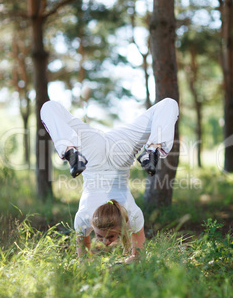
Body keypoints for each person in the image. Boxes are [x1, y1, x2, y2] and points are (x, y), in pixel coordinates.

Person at [40, 97, 179, 263]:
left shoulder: (87, 217)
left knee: (49, 107)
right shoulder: (129, 215)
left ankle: (71, 152)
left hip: (92, 154)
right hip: (118, 152)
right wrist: (128, 261)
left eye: (101, 236)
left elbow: (83, 261)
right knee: (168, 104)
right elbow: (138, 257)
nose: (105, 242)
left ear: (93, 223)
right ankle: (152, 150)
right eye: (109, 236)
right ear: (121, 227)